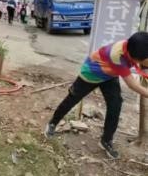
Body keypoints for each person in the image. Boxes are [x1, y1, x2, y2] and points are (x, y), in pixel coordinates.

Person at [46, 31, 148, 159]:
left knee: (115, 105)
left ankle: (106, 140)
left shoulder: (135, 47)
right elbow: (132, 84)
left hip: (109, 76)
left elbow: (144, 62)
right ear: (134, 57)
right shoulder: (118, 56)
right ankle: (53, 123)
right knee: (72, 99)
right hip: (91, 73)